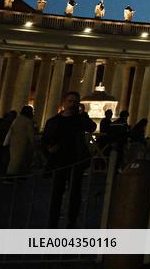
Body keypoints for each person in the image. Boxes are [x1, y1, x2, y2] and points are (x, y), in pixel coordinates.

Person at [43, 91, 97, 227]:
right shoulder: (54, 121)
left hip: (76, 162)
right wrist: (49, 149)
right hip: (59, 162)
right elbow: (45, 140)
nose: (72, 104)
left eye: (75, 102)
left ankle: (72, 219)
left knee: (75, 193)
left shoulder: (79, 120)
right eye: (70, 101)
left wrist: (83, 113)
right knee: (56, 192)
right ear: (64, 103)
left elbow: (92, 127)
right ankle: (53, 219)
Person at [6, 105, 36, 175]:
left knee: (13, 160)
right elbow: (31, 135)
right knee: (17, 161)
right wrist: (34, 145)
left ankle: (11, 176)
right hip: (22, 143)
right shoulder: (28, 121)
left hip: (13, 142)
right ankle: (11, 177)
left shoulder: (17, 119)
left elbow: (11, 130)